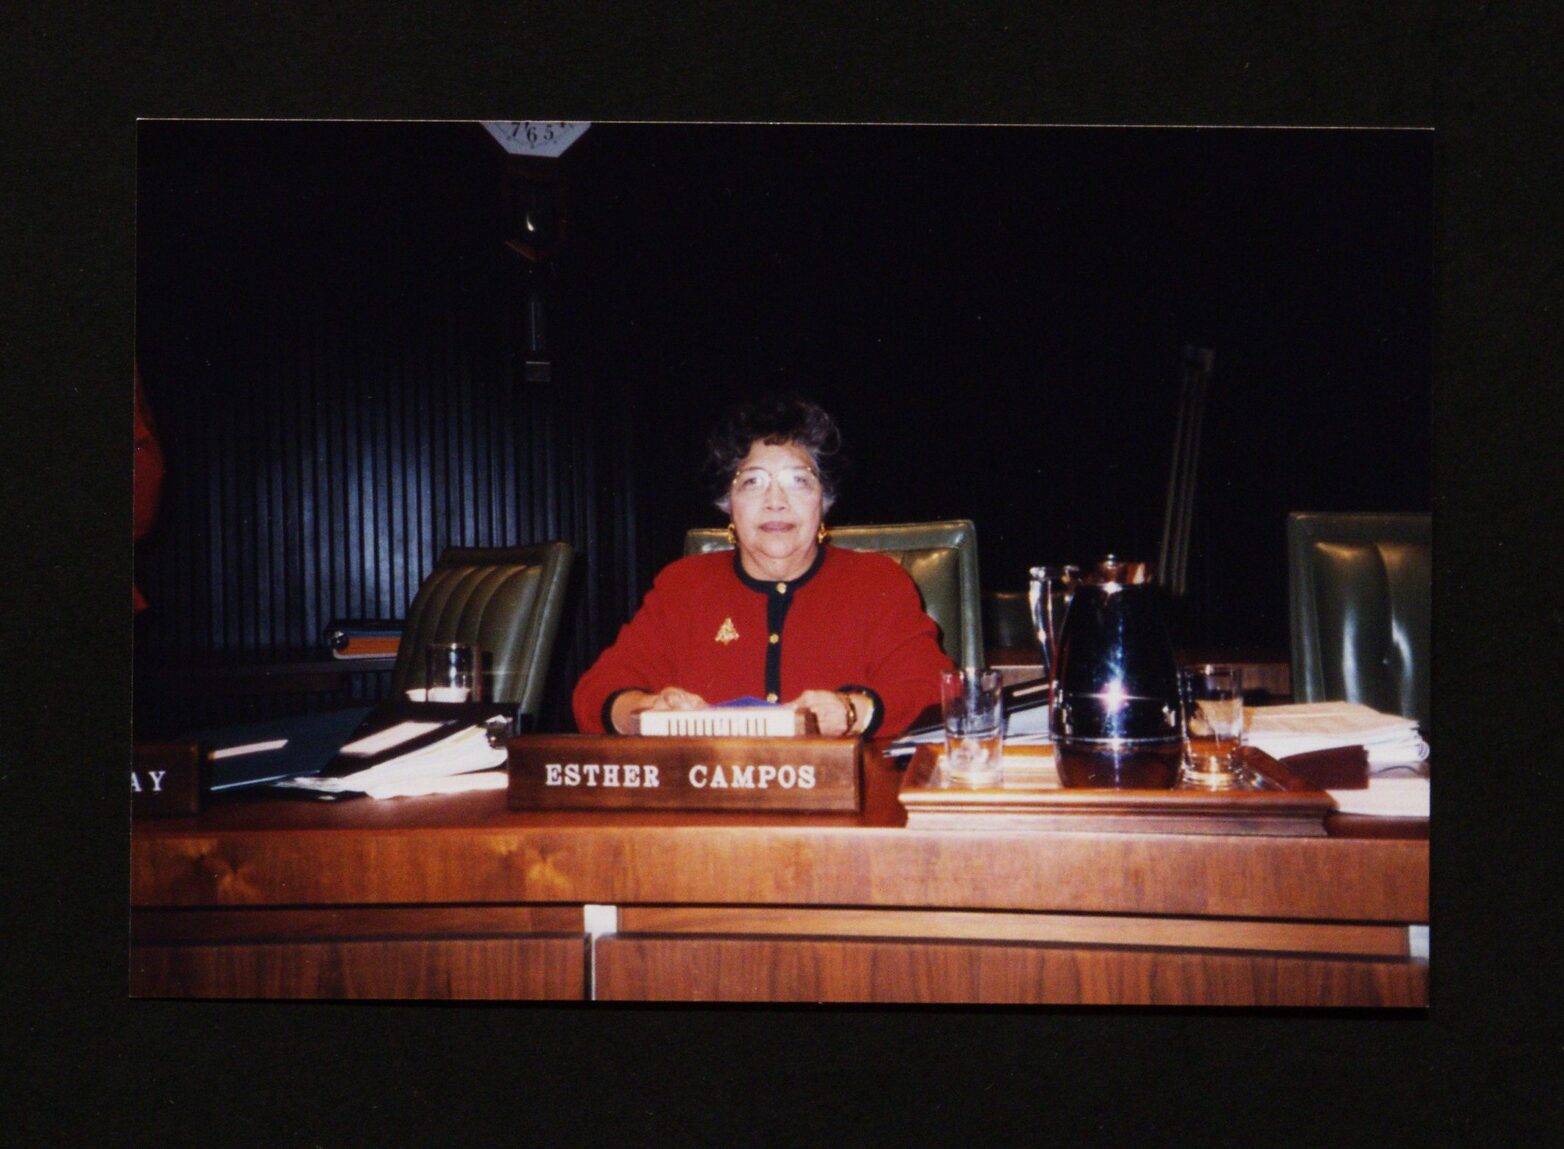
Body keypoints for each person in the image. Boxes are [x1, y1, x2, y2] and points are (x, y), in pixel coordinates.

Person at [573, 395, 954, 738]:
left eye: (798, 482)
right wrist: (643, 712)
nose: (775, 501)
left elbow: (933, 688)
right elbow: (595, 693)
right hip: (711, 804)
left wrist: (852, 712)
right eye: (753, 482)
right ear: (728, 502)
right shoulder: (684, 587)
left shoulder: (875, 582)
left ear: (824, 501)